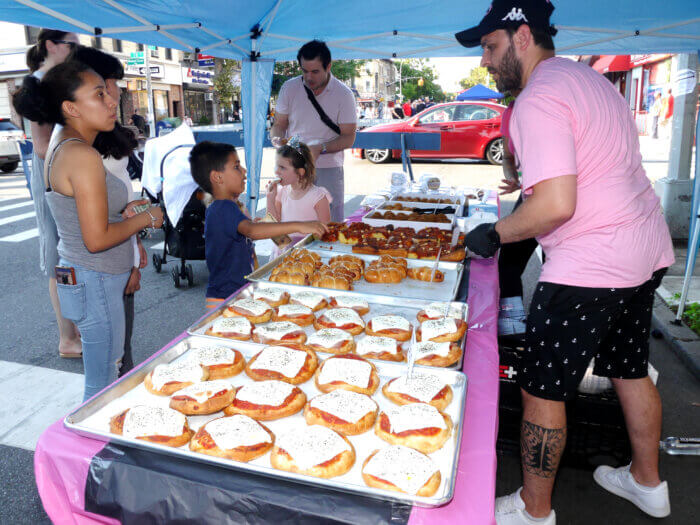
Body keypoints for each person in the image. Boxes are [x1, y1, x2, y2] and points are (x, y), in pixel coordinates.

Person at [457, 1, 674, 523]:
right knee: (628, 368)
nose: (486, 62)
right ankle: (648, 483)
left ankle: (535, 510)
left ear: (523, 36)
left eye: (490, 47)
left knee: (541, 387)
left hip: (590, 265)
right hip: (645, 249)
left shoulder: (538, 98)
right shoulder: (590, 81)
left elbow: (556, 204)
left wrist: (495, 232)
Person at [13, 59, 164, 401]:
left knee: (104, 376)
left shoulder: (64, 144)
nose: (112, 100)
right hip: (95, 277)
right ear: (70, 107)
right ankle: (91, 453)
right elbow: (96, 240)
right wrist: (147, 218)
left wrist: (122, 213)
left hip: (83, 274)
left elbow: (82, 218)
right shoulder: (81, 154)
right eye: (99, 94)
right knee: (103, 386)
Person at [76, 45, 147, 377]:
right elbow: (96, 229)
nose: (117, 93)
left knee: (120, 353)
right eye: (110, 85)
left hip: (118, 258)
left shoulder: (103, 135)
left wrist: (136, 249)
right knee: (112, 362)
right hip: (103, 267)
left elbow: (118, 205)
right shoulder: (81, 149)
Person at [188, 141, 327, 310]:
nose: (245, 171)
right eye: (237, 167)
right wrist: (300, 225)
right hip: (226, 298)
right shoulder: (222, 207)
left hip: (238, 291)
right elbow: (253, 231)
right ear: (218, 177)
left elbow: (251, 232)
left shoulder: (230, 208)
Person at [21, 28, 82, 359]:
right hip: (52, 178)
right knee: (59, 259)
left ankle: (74, 332)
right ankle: (66, 338)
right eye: (71, 44)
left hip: (65, 174)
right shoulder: (39, 85)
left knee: (69, 254)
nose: (76, 49)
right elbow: (42, 145)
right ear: (51, 46)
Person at [270, 40, 357, 222]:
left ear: (328, 66)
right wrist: (277, 139)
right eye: (304, 71)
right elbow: (279, 124)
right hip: (293, 167)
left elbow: (348, 137)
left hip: (328, 168)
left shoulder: (344, 94)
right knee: (291, 220)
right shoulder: (290, 88)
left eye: (315, 71)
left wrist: (320, 148)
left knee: (329, 224)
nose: (309, 77)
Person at [495, 91, 538, 336]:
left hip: (550, 197)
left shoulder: (543, 105)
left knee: (509, 257)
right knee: (509, 262)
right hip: (531, 193)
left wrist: (494, 233)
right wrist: (515, 178)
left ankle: (515, 328)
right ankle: (512, 328)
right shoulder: (510, 113)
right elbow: (508, 156)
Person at [266, 136, 331, 257]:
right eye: (276, 166)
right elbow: (273, 228)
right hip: (283, 250)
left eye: (282, 167)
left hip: (308, 254)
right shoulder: (281, 192)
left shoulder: (318, 197)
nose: (276, 172)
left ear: (300, 173)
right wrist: (270, 199)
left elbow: (325, 232)